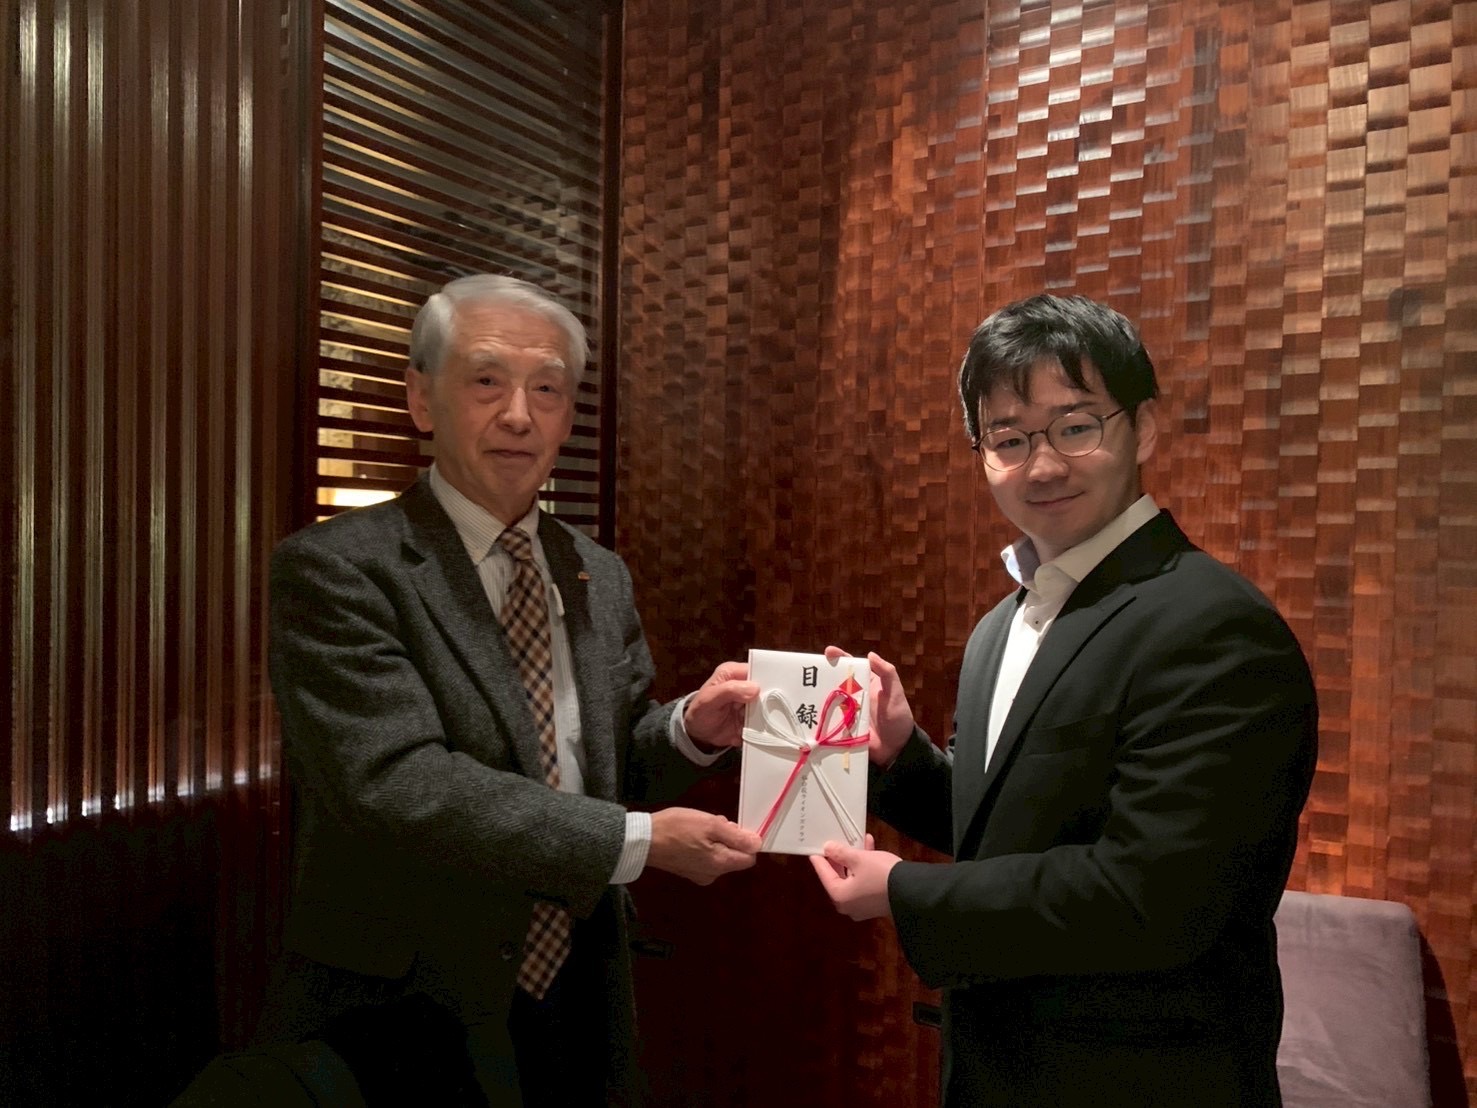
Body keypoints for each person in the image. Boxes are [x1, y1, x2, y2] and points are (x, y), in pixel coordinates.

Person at [260, 274, 762, 1107]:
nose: (520, 415)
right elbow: (396, 782)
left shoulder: (596, 572)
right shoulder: (337, 569)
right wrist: (634, 842)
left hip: (580, 983)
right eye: (486, 380)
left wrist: (689, 730)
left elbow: (606, 760)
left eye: (548, 390)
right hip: (408, 999)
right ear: (421, 398)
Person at [812, 294, 1318, 1107]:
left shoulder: (1212, 624)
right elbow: (1017, 827)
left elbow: (1155, 896)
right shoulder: (1001, 626)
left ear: (1142, 428)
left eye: (1074, 427)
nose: (1041, 466)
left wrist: (904, 892)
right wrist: (901, 758)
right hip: (995, 1072)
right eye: (1008, 439)